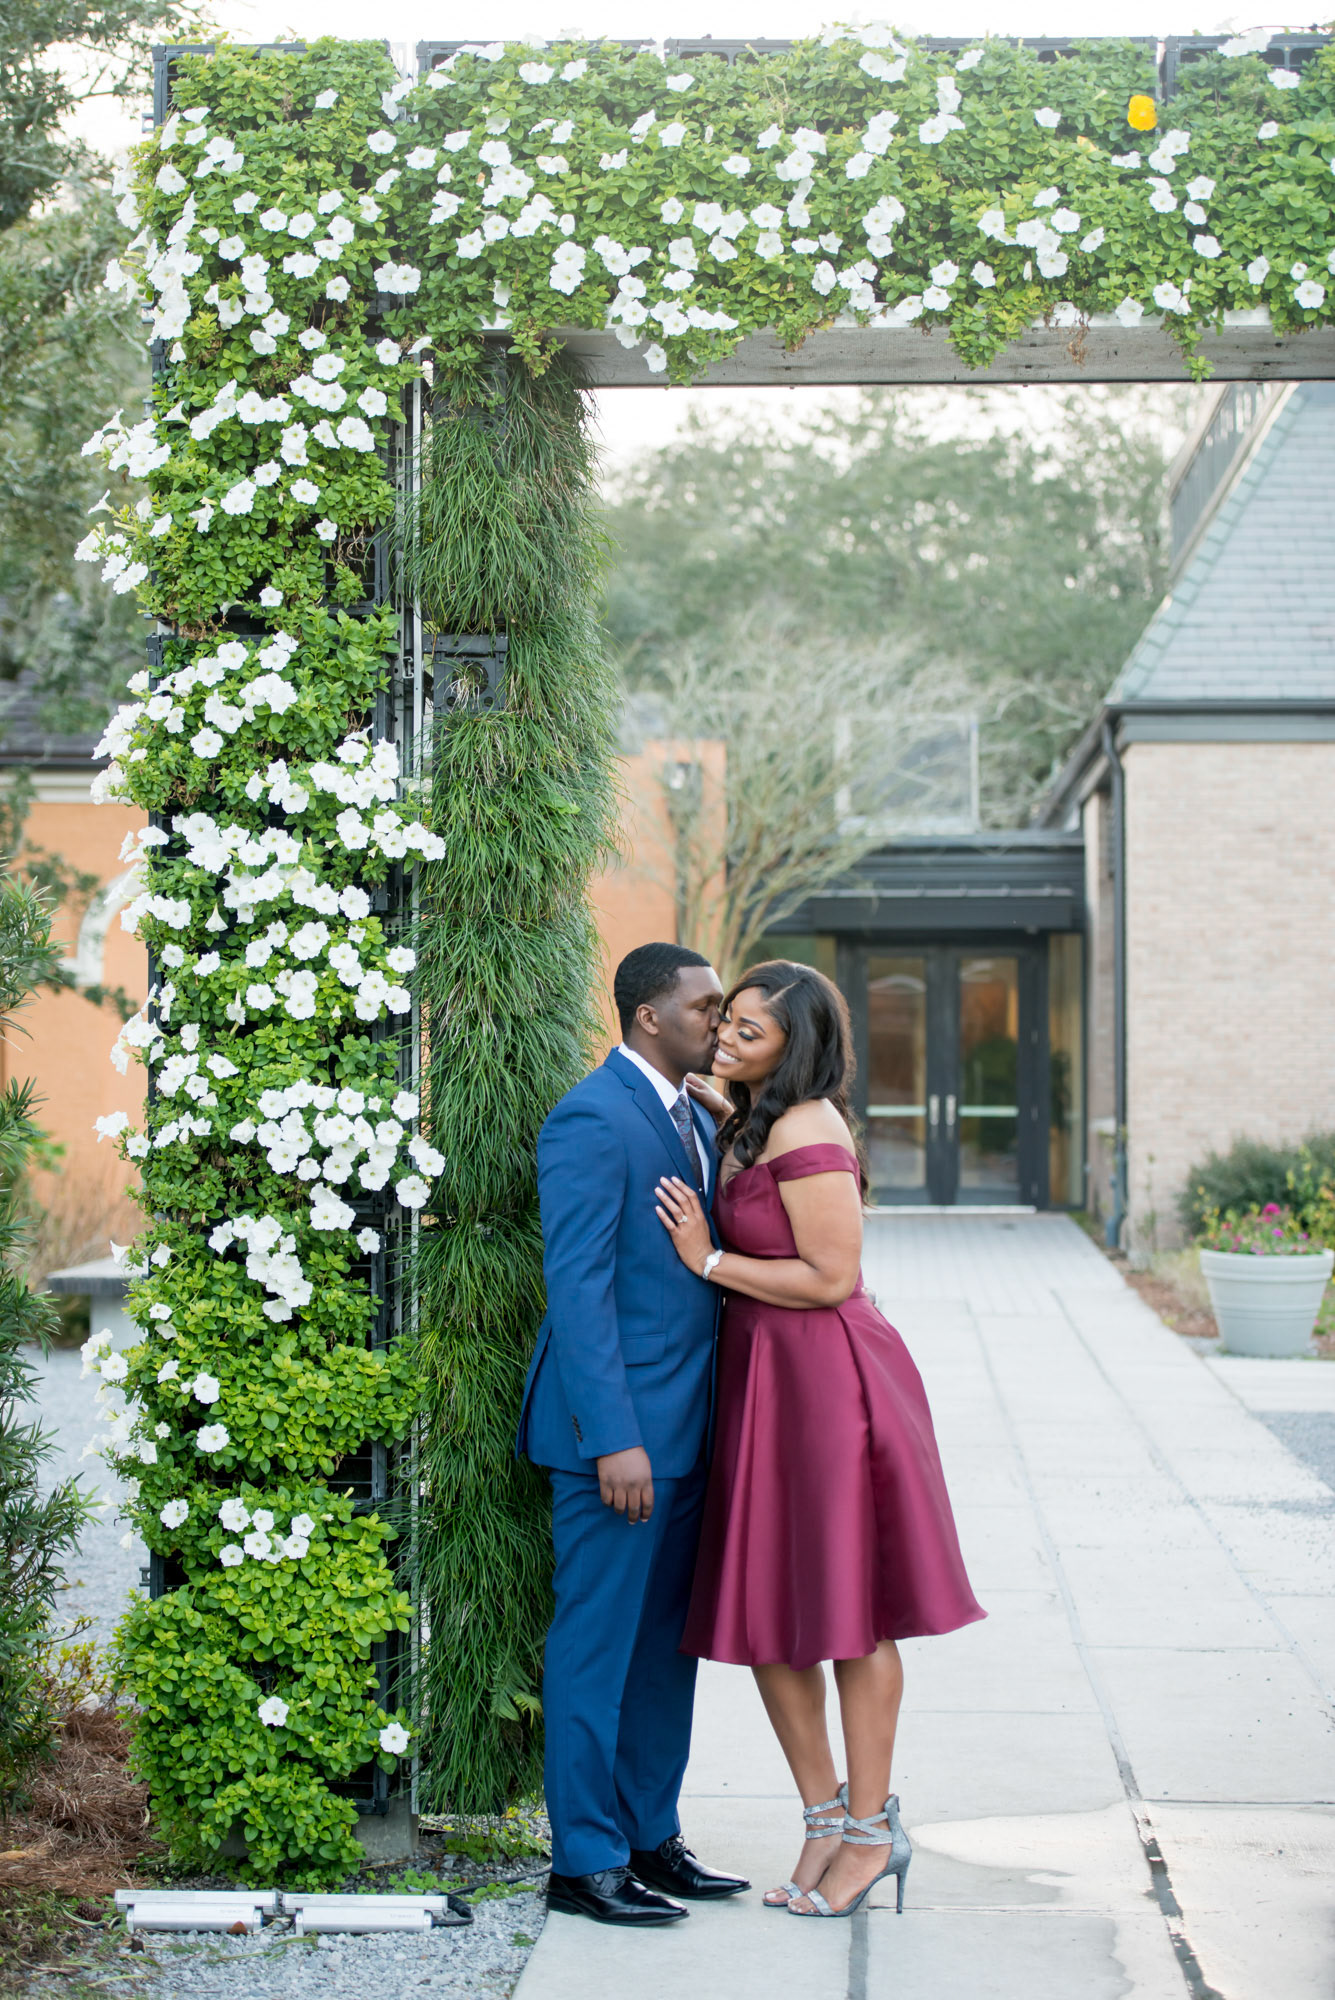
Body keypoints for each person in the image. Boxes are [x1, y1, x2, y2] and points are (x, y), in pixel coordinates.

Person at [654, 959, 985, 1921]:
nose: (724, 1039)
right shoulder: (752, 1116)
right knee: (769, 1616)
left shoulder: (810, 1127)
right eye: (726, 1023)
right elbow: (736, 1123)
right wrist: (715, 1097)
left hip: (828, 1384)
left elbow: (831, 1278)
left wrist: (705, 1258)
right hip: (763, 1380)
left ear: (795, 1046)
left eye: (748, 1032)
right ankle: (823, 1817)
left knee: (848, 1615)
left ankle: (873, 1834)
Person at [517, 942, 751, 1927]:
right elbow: (577, 1290)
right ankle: (584, 1859)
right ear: (650, 1016)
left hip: (688, 1434)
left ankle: (650, 1834)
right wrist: (613, 1435)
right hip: (615, 1445)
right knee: (596, 1644)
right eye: (704, 1006)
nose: (719, 1021)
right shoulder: (591, 1118)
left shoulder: (695, 1114)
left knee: (666, 1648)